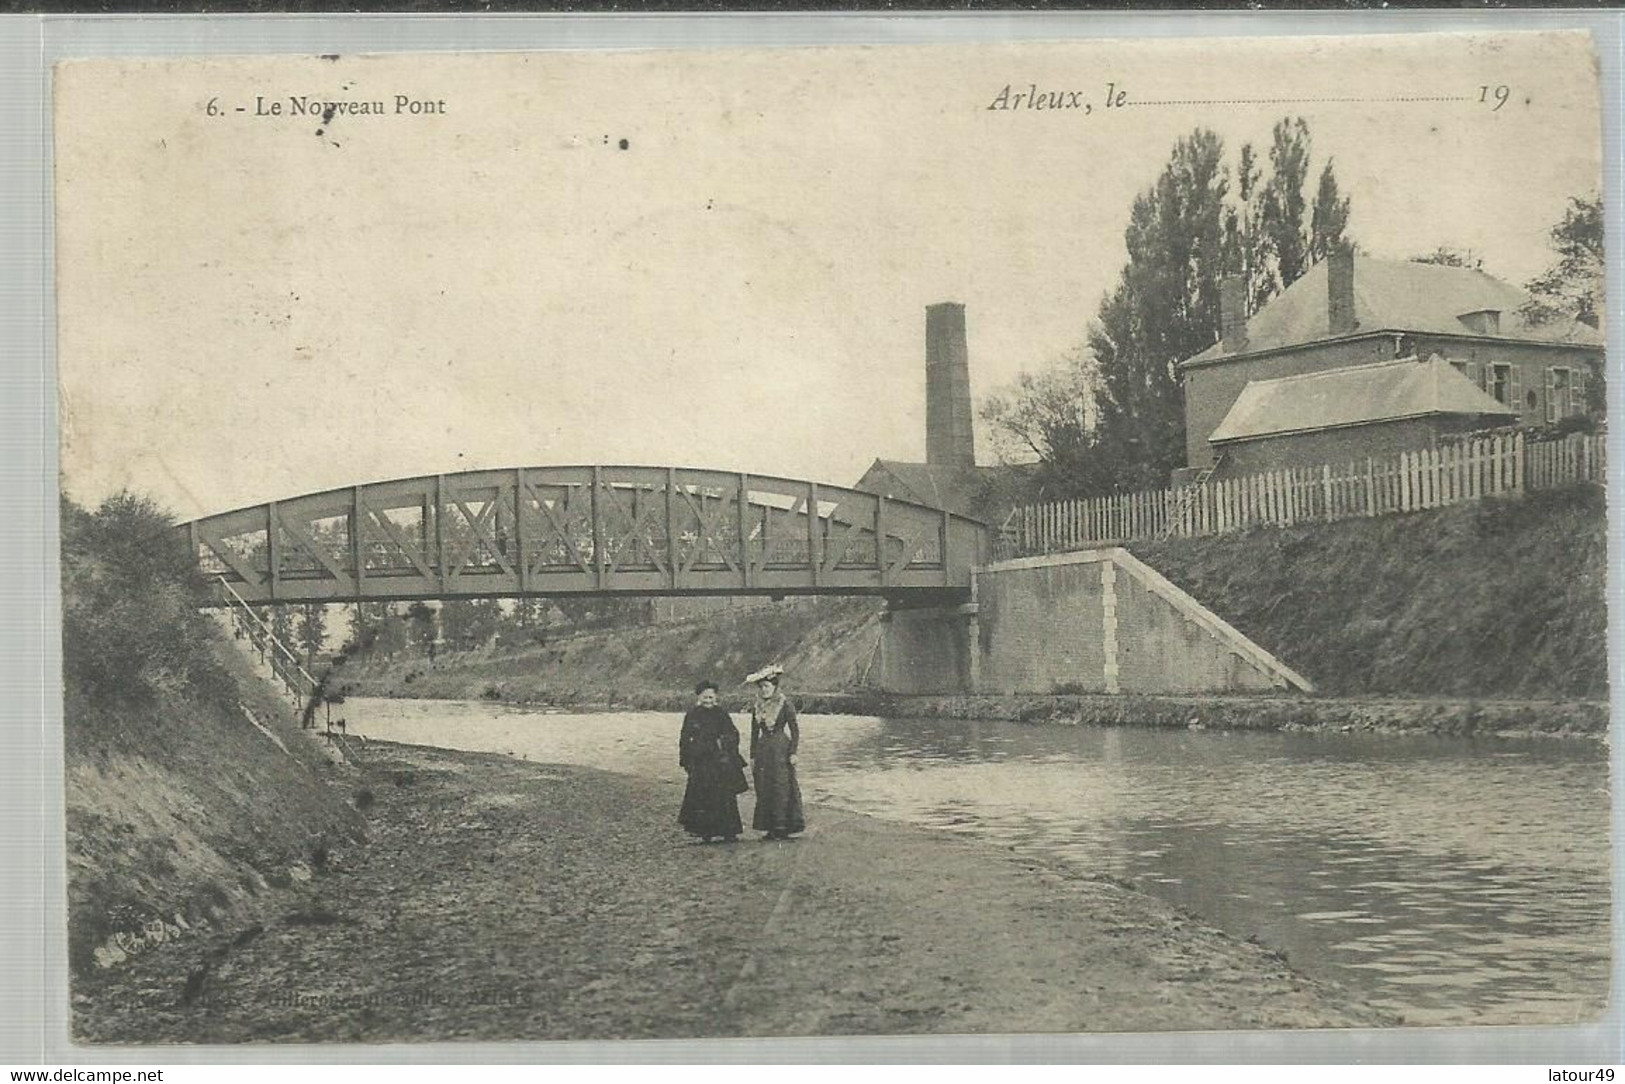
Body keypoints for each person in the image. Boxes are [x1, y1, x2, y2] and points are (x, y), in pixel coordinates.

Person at [677, 680, 745, 843]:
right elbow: (684, 738)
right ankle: (705, 832)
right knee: (702, 796)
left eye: (711, 697)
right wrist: (686, 759)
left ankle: (729, 831)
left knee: (724, 796)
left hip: (719, 762)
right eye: (705, 698)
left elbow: (734, 733)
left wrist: (723, 743)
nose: (708, 701)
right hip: (701, 762)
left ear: (716, 698)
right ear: (699, 697)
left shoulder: (721, 713)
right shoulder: (692, 714)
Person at [746, 664, 805, 841]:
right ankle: (770, 827)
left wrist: (793, 752)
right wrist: (753, 756)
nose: (764, 690)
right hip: (764, 750)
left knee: (782, 786)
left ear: (774, 687)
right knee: (765, 786)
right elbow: (754, 733)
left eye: (767, 687)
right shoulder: (757, 706)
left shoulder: (784, 704)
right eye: (761, 687)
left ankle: (783, 826)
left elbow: (795, 730)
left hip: (781, 749)